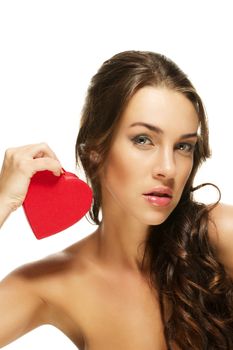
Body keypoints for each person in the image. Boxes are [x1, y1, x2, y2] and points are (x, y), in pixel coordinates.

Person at [0, 50, 232, 350]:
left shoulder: (218, 236)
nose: (168, 168)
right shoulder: (51, 282)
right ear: (95, 149)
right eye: (143, 140)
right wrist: (3, 201)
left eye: (183, 146)